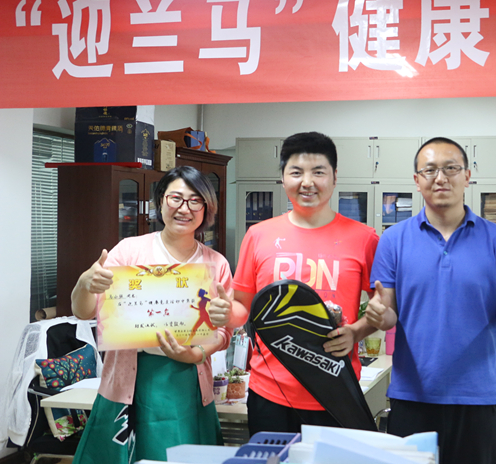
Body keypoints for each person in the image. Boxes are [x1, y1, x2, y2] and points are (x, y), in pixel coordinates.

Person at [366, 137, 496, 464]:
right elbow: (389, 314)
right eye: (430, 170)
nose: (440, 178)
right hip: (413, 394)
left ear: (467, 176)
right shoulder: (393, 240)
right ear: (417, 180)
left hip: (477, 396)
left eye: (451, 168)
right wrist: (379, 315)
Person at [71, 166, 235, 464]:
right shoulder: (129, 251)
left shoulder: (216, 264)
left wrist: (195, 354)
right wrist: (84, 284)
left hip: (187, 380)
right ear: (160, 201)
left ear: (206, 207)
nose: (184, 208)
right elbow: (83, 312)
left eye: (195, 200)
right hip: (128, 382)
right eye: (176, 198)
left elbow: (223, 334)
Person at [221, 131, 380, 435]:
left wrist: (356, 332)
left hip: (334, 389)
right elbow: (242, 307)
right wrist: (224, 313)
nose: (307, 182)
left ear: (334, 177)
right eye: (296, 172)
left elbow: (382, 308)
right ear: (283, 178)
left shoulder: (364, 238)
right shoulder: (258, 235)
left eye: (318, 172)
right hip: (269, 391)